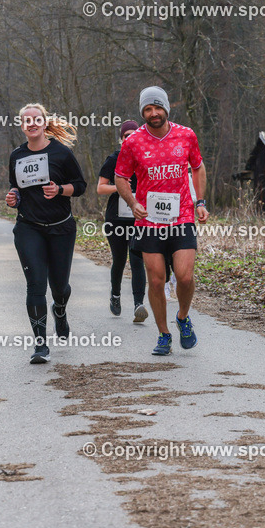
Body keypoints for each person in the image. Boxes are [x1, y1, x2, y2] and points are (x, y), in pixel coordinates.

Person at [114, 86, 208, 356]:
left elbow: (198, 167)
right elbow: (120, 176)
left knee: (185, 277)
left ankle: (182, 317)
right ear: (142, 112)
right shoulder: (133, 142)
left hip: (182, 217)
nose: (153, 113)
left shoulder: (186, 135)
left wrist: (200, 202)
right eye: (147, 109)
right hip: (149, 221)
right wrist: (133, 203)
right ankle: (164, 334)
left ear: (166, 108)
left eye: (157, 108)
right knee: (155, 282)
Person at [5, 103, 86, 364]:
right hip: (29, 227)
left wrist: (61, 190)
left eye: (36, 119)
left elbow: (81, 185)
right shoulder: (16, 155)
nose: (31, 123)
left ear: (43, 122)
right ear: (22, 126)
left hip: (61, 227)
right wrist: (13, 196)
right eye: (26, 120)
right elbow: (16, 187)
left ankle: (59, 310)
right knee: (36, 285)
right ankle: (40, 345)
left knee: (59, 287)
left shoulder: (61, 153)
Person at [97, 120, 147, 322]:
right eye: (127, 136)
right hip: (116, 219)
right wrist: (122, 189)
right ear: (121, 139)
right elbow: (100, 188)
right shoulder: (114, 158)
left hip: (138, 217)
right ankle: (115, 295)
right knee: (119, 259)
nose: (131, 138)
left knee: (137, 260)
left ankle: (138, 304)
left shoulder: (145, 158)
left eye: (134, 135)